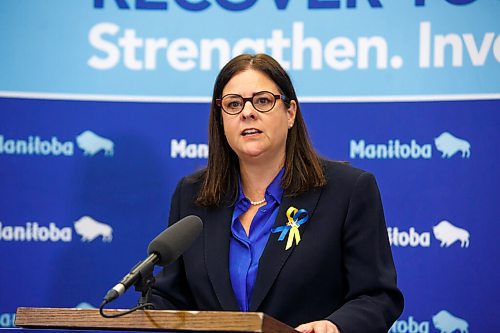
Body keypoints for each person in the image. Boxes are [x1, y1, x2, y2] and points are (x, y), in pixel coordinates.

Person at [150, 53, 404, 333]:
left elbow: (377, 296)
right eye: (234, 104)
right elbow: (171, 296)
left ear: (290, 112)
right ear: (221, 119)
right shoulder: (192, 195)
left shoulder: (347, 190)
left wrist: (335, 326)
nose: (247, 112)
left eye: (262, 101)